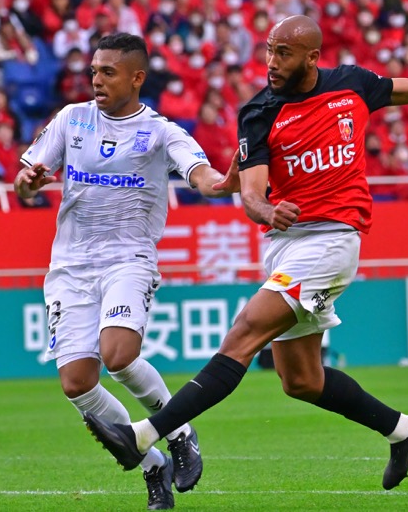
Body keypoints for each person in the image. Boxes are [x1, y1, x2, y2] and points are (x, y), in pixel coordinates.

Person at [84, 15, 408, 494]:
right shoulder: (259, 112)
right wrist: (267, 210)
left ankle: (144, 434)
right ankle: (403, 429)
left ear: (312, 57)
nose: (272, 62)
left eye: (284, 53)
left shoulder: (353, 86)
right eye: (270, 50)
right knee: (301, 380)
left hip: (333, 240)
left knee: (245, 331)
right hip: (284, 245)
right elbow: (250, 194)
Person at [14, 33, 239, 510]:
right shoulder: (71, 119)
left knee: (117, 354)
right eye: (94, 70)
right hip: (70, 265)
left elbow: (203, 177)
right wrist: (28, 182)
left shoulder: (161, 132)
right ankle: (154, 466)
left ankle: (179, 431)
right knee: (77, 383)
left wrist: (224, 183)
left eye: (108, 72)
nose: (96, 79)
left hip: (127, 257)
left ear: (137, 77)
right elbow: (24, 184)